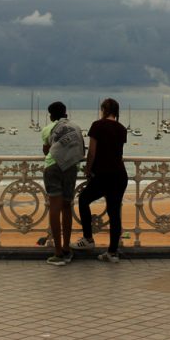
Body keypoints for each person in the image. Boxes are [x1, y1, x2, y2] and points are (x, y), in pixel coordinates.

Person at [74, 98, 129, 263]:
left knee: (83, 199)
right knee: (114, 213)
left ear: (104, 109)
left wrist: (88, 169)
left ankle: (88, 239)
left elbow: (92, 152)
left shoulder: (97, 125)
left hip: (103, 174)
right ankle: (112, 252)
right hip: (119, 174)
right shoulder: (121, 129)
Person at [41, 101, 85, 266]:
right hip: (71, 167)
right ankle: (67, 248)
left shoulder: (48, 128)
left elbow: (47, 151)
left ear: (51, 115)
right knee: (67, 206)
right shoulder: (76, 126)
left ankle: (58, 253)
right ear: (65, 113)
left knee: (55, 207)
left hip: (53, 167)